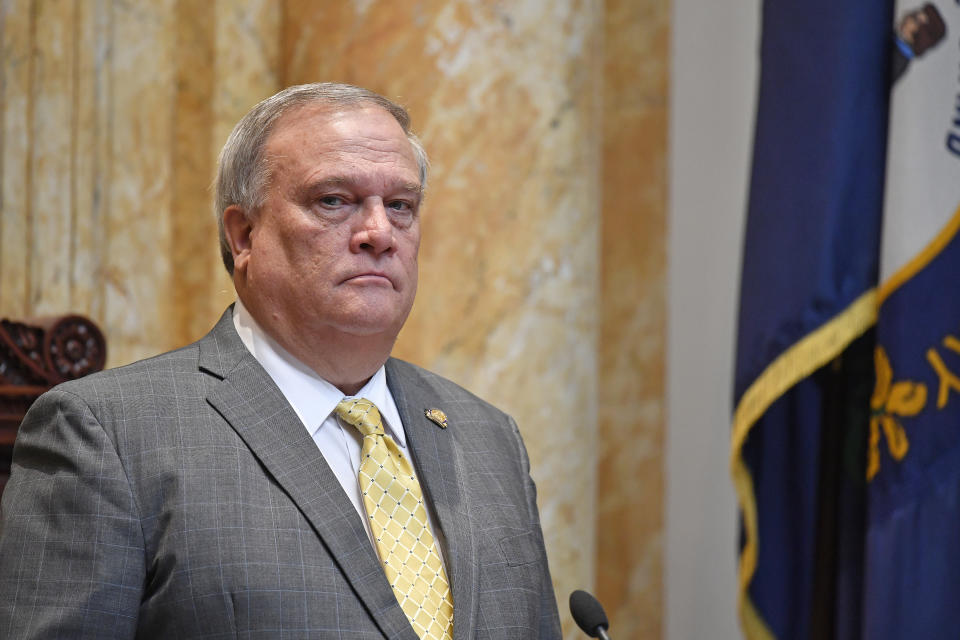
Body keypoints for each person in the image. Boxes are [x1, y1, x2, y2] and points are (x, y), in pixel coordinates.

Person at [0, 83, 561, 639]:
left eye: (400, 206)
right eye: (333, 201)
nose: (378, 233)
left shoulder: (490, 439)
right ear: (243, 235)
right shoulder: (107, 434)